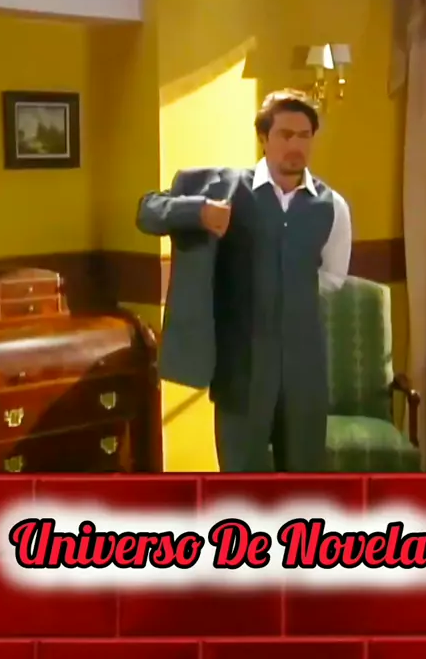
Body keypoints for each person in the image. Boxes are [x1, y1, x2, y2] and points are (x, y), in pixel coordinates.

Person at [137, 90, 352, 472]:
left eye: (304, 135)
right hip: (241, 368)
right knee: (240, 479)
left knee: (304, 479)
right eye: (285, 134)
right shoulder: (225, 188)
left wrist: (286, 292)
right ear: (264, 138)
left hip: (304, 368)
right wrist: (198, 212)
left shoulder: (332, 206)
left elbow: (333, 277)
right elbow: (148, 211)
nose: (296, 145)